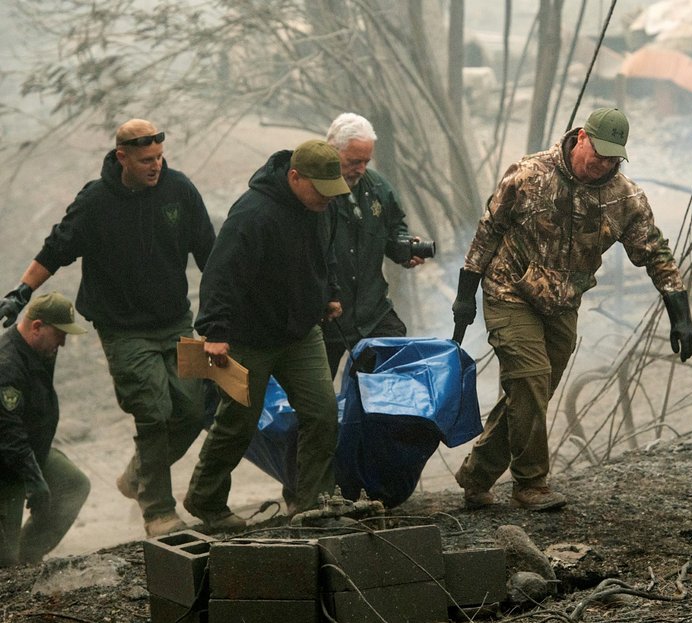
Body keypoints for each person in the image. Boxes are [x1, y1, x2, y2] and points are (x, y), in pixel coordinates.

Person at [451, 107, 692, 512]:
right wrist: (466, 292)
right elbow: (489, 229)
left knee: (531, 393)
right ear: (581, 137)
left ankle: (476, 475)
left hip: (562, 302)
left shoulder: (624, 197)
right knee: (529, 380)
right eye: (598, 153)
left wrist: (682, 316)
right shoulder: (530, 175)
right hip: (509, 290)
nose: (602, 164)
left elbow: (655, 253)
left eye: (612, 159)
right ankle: (531, 484)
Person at [0, 119, 215, 537]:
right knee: (153, 411)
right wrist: (22, 290)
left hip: (175, 321)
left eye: (159, 158)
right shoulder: (96, 201)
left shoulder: (180, 190)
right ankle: (158, 511)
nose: (155, 166)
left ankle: (138, 475)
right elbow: (57, 247)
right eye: (145, 160)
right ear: (122, 157)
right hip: (123, 328)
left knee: (192, 410)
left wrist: (228, 311)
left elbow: (210, 253)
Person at [186, 139, 350, 528]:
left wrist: (329, 294)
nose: (328, 199)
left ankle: (311, 504)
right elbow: (220, 274)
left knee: (322, 413)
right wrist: (214, 331)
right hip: (246, 337)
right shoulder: (252, 214)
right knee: (237, 422)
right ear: (295, 177)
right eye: (321, 190)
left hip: (300, 332)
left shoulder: (321, 206)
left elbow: (324, 256)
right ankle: (205, 499)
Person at [321, 112, 426, 378]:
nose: (361, 169)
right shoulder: (314, 192)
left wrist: (404, 248)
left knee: (392, 376)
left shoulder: (377, 187)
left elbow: (394, 229)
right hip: (325, 313)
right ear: (332, 150)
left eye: (366, 161)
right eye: (353, 161)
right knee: (314, 402)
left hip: (371, 309)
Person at [0, 293, 90, 566]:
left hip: (27, 451)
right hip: (5, 465)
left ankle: (28, 556)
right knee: (4, 560)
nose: (63, 342)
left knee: (73, 485)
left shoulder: (38, 349)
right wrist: (34, 480)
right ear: (37, 326)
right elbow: (8, 435)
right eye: (60, 334)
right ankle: (13, 563)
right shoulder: (7, 366)